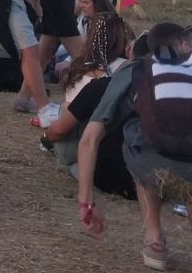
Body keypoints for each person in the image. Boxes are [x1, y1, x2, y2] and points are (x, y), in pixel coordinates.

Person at [77, 21, 192, 273]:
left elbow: (90, 138)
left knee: (140, 136)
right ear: (185, 45)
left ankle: (154, 241)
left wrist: (86, 201)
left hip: (150, 166)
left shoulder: (135, 71)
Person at [41, 13, 137, 200]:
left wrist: (45, 138)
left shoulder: (93, 81)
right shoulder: (146, 85)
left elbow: (61, 128)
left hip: (104, 163)